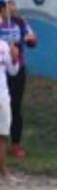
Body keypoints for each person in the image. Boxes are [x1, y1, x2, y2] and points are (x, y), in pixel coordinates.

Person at [0, 1, 36, 159]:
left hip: (17, 69)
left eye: (14, 4)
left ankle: (15, 144)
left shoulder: (20, 22)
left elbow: (33, 41)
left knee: (15, 105)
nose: (14, 7)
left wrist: (28, 39)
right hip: (1, 69)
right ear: (2, 8)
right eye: (10, 4)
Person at [0, 39, 16, 178]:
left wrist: (14, 58)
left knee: (3, 134)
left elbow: (13, 71)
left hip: (2, 94)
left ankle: (3, 170)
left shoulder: (3, 45)